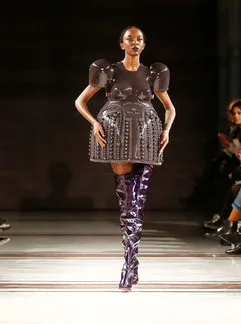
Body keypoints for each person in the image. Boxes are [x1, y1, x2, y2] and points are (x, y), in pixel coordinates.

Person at [74, 26, 176, 292]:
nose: (134, 42)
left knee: (138, 200)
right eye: (130, 39)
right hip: (117, 137)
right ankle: (130, 263)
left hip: (147, 135)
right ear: (122, 44)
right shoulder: (109, 71)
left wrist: (166, 129)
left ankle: (130, 263)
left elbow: (170, 108)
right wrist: (95, 123)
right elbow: (80, 101)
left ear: (144, 44)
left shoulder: (153, 72)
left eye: (139, 39)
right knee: (127, 202)